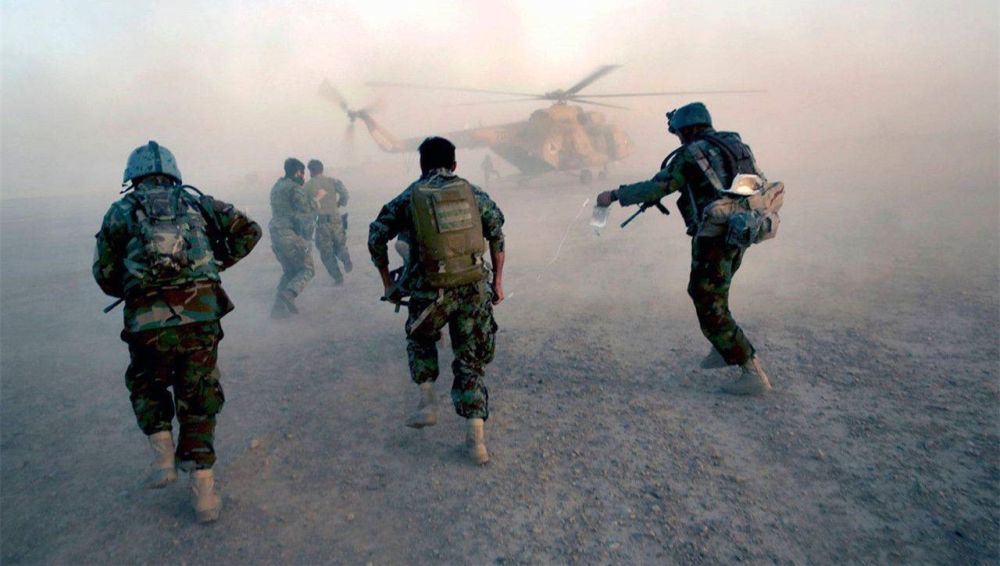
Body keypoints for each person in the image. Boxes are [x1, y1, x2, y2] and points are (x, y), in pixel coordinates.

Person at [93, 141, 261, 523]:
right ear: (173, 173)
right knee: (199, 395)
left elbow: (104, 273)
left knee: (146, 382)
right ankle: (204, 494)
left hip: (146, 323)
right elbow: (249, 230)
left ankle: (163, 459)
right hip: (201, 317)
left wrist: (137, 289)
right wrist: (214, 263)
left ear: (132, 176)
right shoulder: (198, 203)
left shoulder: (120, 211)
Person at [595, 102, 773, 396]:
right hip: (741, 228)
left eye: (679, 133)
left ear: (687, 129)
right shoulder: (733, 145)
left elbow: (657, 187)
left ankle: (752, 371)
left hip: (715, 235)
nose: (678, 139)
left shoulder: (691, 155)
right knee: (714, 292)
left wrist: (614, 195)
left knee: (706, 298)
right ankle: (725, 346)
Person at [369, 137, 506, 465]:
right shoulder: (473, 192)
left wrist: (388, 284)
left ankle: (427, 402)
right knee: (471, 362)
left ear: (421, 166)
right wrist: (498, 283)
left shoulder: (411, 195)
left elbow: (376, 236)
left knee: (420, 338)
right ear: (455, 164)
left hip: (430, 292)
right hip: (473, 289)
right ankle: (477, 442)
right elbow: (497, 234)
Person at [269, 158, 319, 318]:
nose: (304, 176)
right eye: (302, 173)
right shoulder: (295, 188)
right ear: (297, 172)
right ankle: (290, 293)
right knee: (307, 269)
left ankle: (278, 309)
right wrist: (315, 202)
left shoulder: (277, 186)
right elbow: (305, 213)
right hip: (289, 234)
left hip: (276, 234)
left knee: (290, 271)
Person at [304, 159, 352, 285]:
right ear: (322, 169)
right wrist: (339, 203)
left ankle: (338, 278)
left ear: (311, 171)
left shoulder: (307, 186)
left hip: (321, 222)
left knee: (326, 252)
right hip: (336, 219)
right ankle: (345, 257)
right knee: (339, 244)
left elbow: (304, 206)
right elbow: (345, 194)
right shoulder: (333, 181)